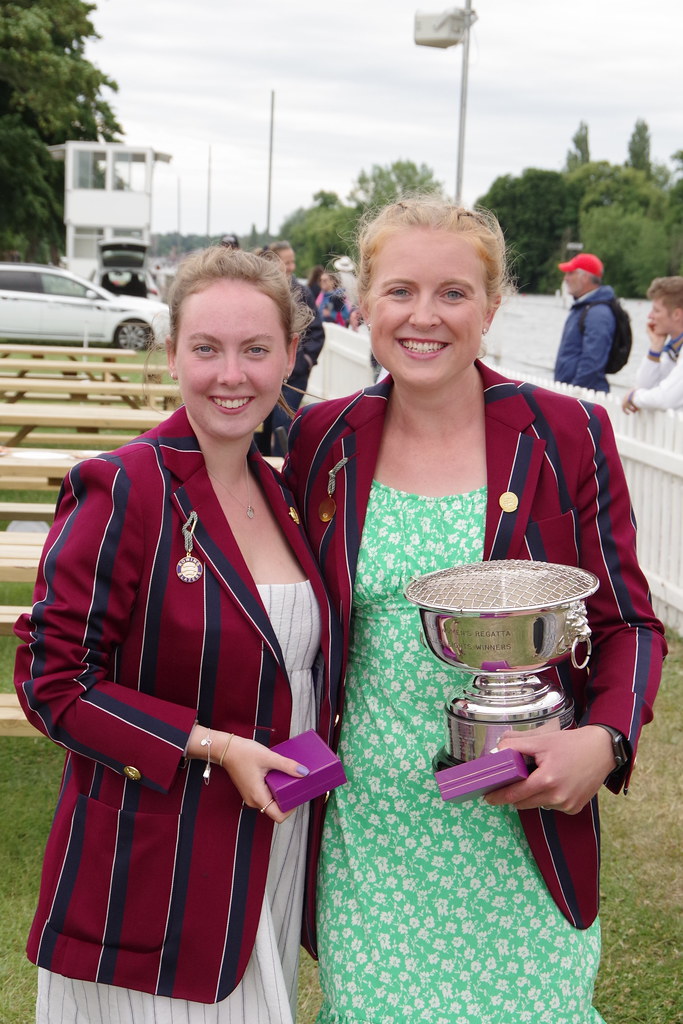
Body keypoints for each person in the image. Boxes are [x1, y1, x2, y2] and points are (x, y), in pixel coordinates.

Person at [284, 197, 666, 1023]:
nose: (424, 317)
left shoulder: (568, 433)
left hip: (519, 831)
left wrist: (601, 742)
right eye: (399, 291)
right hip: (371, 833)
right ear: (364, 302)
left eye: (453, 293)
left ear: (492, 306)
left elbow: (629, 625)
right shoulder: (322, 441)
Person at [13, 246, 342, 1022]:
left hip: (272, 848)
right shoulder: (124, 485)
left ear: (290, 357)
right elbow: (52, 684)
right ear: (172, 355)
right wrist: (214, 745)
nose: (232, 374)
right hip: (156, 870)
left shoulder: (285, 491)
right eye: (207, 349)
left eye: (256, 350)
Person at [266, 240, 325, 456]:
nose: (291, 267)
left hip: (294, 376)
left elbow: (317, 331)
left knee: (283, 425)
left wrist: (304, 362)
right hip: (267, 372)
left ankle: (284, 471)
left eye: (293, 262)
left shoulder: (302, 292)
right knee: (260, 425)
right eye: (286, 262)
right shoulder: (263, 290)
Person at [554, 252, 616, 393]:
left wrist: (573, 394)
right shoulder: (583, 307)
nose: (566, 278)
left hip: (585, 397)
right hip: (576, 394)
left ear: (585, 278)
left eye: (570, 274)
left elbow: (593, 361)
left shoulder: (597, 313)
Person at [622, 275, 683, 413]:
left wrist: (633, 397)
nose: (650, 316)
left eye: (656, 310)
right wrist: (656, 347)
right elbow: (645, 386)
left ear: (676, 315)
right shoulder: (674, 348)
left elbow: (666, 399)